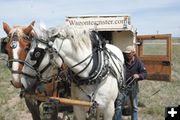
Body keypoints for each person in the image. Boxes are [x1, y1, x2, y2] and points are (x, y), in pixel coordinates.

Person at [114, 45, 147, 120]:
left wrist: (138, 75)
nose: (127, 55)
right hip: (123, 86)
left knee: (134, 106)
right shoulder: (122, 60)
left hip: (133, 85)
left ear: (133, 53)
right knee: (119, 106)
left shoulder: (138, 61)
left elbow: (145, 73)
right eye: (126, 53)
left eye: (129, 53)